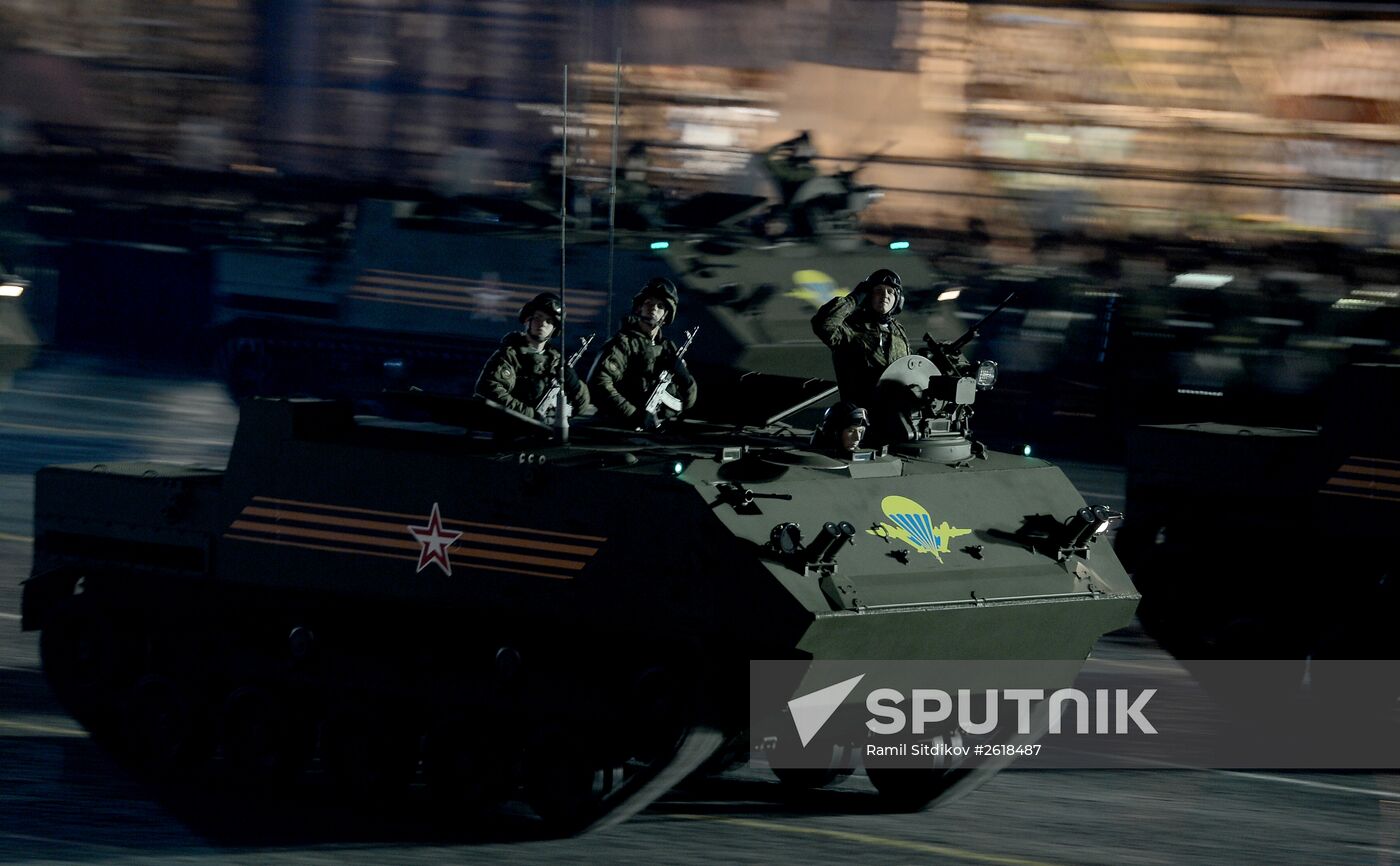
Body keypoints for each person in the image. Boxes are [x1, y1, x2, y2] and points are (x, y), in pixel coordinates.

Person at [588, 277, 697, 430]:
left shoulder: (668, 348)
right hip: (620, 429)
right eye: (648, 303)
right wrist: (633, 414)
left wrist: (685, 379)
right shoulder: (623, 343)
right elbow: (599, 383)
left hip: (655, 430)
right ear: (639, 308)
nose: (653, 309)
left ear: (666, 315)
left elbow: (687, 402)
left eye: (660, 306)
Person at [475, 292, 590, 420]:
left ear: (554, 328)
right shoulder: (510, 355)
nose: (543, 323)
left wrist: (576, 386)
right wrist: (530, 415)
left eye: (549, 321)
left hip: (549, 429)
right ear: (527, 320)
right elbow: (489, 390)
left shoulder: (556, 362)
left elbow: (581, 407)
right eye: (538, 317)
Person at [810, 268, 910, 411]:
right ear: (868, 295)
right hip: (861, 415)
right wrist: (854, 299)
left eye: (890, 292)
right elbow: (823, 324)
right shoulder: (851, 327)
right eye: (878, 291)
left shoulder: (898, 331)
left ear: (898, 299)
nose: (885, 296)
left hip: (896, 414)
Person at [764, 131, 819, 206]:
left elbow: (767, 159)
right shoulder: (812, 172)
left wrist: (783, 144)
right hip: (799, 206)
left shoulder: (786, 170)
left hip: (789, 205)